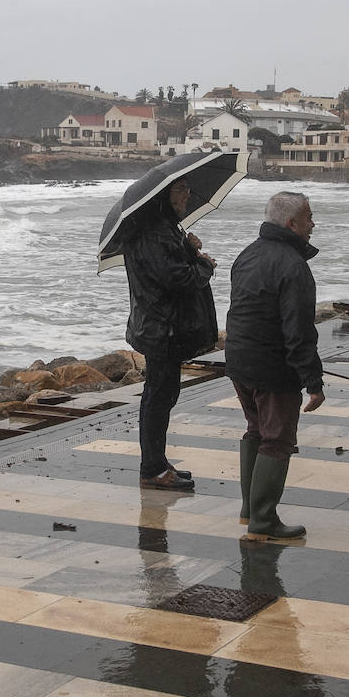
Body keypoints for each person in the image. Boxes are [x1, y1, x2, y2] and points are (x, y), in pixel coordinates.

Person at [225, 191, 325, 539]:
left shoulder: (247, 255)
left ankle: (250, 509)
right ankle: (264, 519)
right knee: (277, 440)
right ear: (291, 223)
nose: (313, 224)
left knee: (256, 430)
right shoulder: (292, 265)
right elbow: (298, 330)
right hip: (272, 368)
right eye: (309, 217)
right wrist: (313, 380)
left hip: (240, 361)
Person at [121, 178, 218, 490]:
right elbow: (177, 279)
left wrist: (189, 250)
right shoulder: (155, 231)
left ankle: (157, 462)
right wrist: (204, 265)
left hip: (160, 326)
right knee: (159, 398)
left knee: (161, 395)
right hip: (162, 328)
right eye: (181, 189)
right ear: (164, 195)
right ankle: (152, 468)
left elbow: (168, 269)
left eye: (189, 188)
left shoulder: (160, 227)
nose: (188, 195)